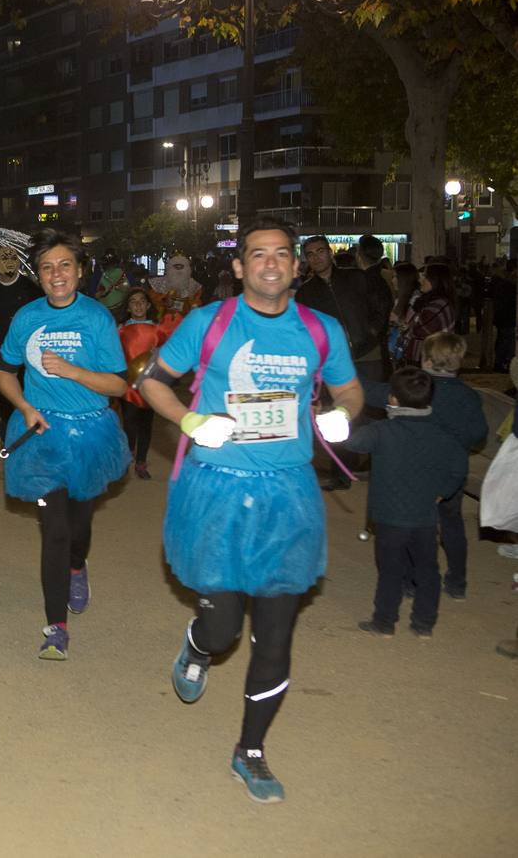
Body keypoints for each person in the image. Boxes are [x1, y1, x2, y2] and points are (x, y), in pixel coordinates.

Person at [140, 217, 363, 804]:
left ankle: (251, 750)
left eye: (282, 254)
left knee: (276, 636)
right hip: (215, 491)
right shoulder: (208, 323)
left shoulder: (321, 330)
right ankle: (197, 645)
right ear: (239, 267)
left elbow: (350, 388)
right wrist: (190, 420)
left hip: (288, 496)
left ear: (296, 265)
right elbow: (152, 382)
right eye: (257, 254)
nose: (270, 263)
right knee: (221, 627)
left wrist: (343, 412)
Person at [0, 228, 130, 661]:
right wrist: (24, 407)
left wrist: (73, 371)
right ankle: (56, 628)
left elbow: (117, 383)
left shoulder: (96, 318)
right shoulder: (27, 318)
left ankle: (77, 566)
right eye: (47, 267)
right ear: (38, 275)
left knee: (79, 528)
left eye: (65, 265)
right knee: (53, 529)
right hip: (42, 434)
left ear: (79, 270)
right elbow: (3, 372)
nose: (57, 274)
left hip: (91, 433)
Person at [362, 332, 486, 599]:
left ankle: (408, 581)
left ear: (426, 359)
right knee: (452, 524)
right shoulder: (469, 397)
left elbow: (372, 392)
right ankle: (457, 582)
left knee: (410, 524)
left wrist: (342, 370)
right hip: (451, 472)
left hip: (415, 472)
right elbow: (479, 434)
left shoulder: (414, 389)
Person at [349, 367, 468, 638]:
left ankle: (384, 622)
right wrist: (443, 491)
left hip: (390, 518)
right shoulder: (441, 434)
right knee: (428, 571)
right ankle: (424, 624)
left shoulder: (381, 431)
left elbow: (352, 442)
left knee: (390, 570)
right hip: (425, 517)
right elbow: (458, 466)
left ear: (392, 399)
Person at [296, 235, 390, 383]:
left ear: (330, 252)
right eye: (310, 254)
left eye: (320, 251)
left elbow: (379, 307)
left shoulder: (356, 277)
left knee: (374, 401)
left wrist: (372, 332)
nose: (316, 258)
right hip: (334, 361)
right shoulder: (304, 293)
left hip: (368, 355)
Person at [0, 246, 40, 440]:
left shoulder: (31, 289)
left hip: (27, 353)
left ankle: (29, 435)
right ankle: (8, 439)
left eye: (12, 259)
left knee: (27, 396)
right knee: (5, 398)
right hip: (0, 353)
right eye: (4, 259)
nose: (9, 263)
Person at [119, 288, 165, 479]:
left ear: (147, 305)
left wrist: (159, 352)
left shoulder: (158, 330)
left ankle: (141, 462)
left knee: (146, 424)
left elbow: (167, 355)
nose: (138, 305)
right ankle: (129, 452)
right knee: (129, 421)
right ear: (128, 307)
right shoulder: (121, 330)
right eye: (133, 301)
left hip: (150, 383)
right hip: (127, 384)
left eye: (141, 301)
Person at [399, 263, 455, 367]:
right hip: (425, 358)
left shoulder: (437, 305)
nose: (420, 280)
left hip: (431, 360)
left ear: (435, 280)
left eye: (425, 276)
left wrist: (407, 326)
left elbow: (419, 330)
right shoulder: (429, 301)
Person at [147, 253, 203, 337]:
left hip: (185, 327)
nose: (178, 272)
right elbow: (151, 300)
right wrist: (164, 300)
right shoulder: (158, 285)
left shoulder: (194, 286)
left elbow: (196, 305)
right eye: (176, 268)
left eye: (181, 268)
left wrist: (192, 304)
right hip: (162, 327)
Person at [95, 251, 129, 321]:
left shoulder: (102, 275)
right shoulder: (122, 273)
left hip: (105, 307)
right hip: (119, 306)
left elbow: (98, 291)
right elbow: (127, 287)